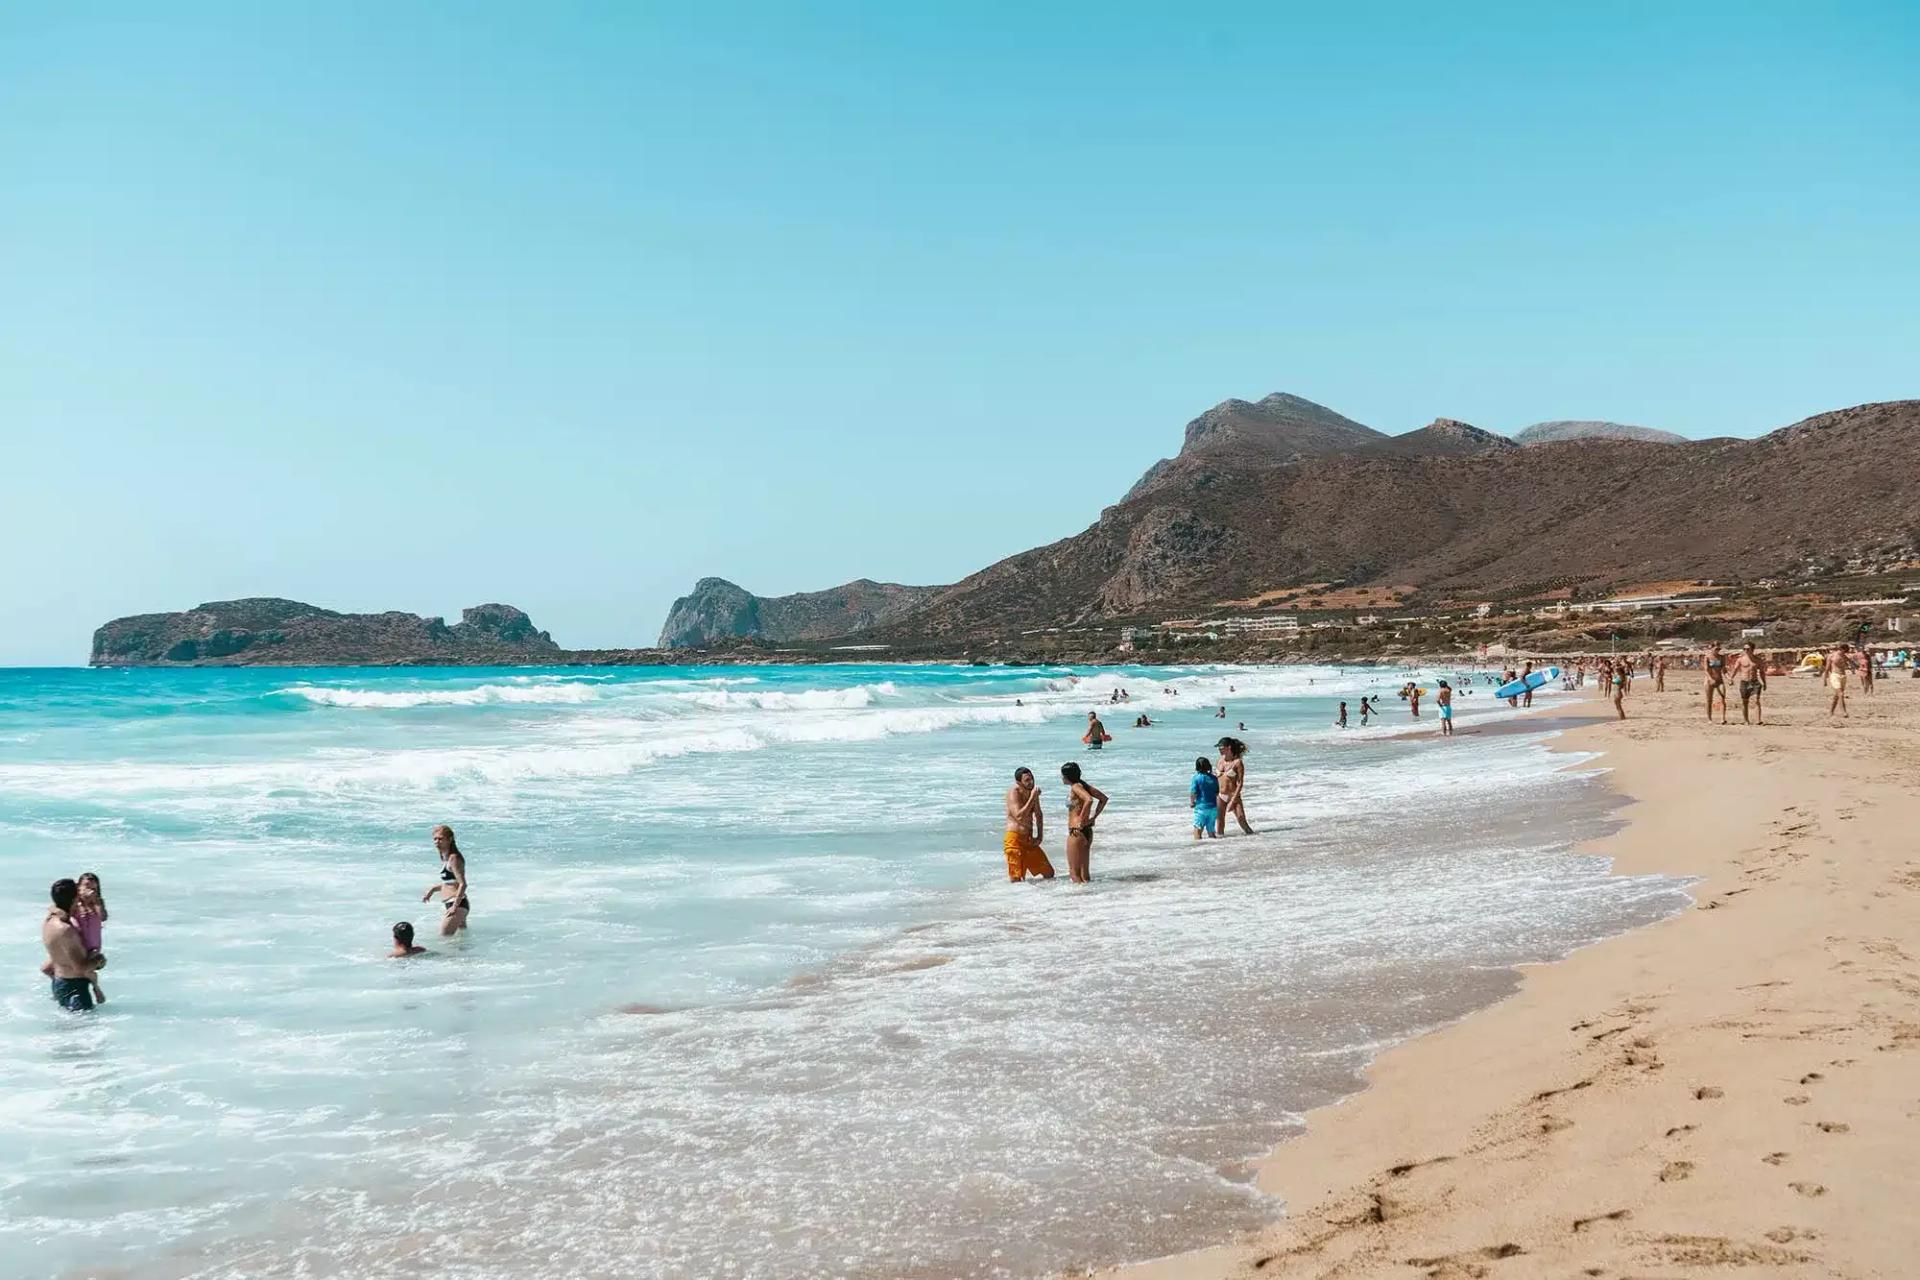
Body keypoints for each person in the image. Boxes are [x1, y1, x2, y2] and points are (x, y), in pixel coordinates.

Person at [42, 879, 99, 1012]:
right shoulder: (66, 930)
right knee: (83, 1030)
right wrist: (98, 960)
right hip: (75, 988)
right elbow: (80, 967)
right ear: (75, 899)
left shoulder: (49, 919)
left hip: (59, 983)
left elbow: (55, 906)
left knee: (69, 1028)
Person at [1002, 767, 1056, 882]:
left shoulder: (1032, 792)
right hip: (1014, 839)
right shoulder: (1014, 792)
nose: (1031, 782)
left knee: (1049, 873)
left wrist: (1040, 836)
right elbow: (1019, 816)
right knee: (1017, 878)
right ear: (1018, 782)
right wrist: (1033, 797)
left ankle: (1041, 895)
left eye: (1032, 778)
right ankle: (1020, 898)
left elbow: (1038, 815)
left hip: (1028, 839)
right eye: (1027, 780)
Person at [1060, 762, 1107, 884]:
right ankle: (1089, 898)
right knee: (1084, 874)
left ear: (1066, 776)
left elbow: (1089, 800)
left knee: (1074, 872)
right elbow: (1103, 799)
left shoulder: (1076, 787)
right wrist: (1093, 817)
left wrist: (1081, 818)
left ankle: (1078, 900)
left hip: (1076, 831)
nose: (1061, 777)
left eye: (1062, 775)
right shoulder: (1084, 786)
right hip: (1087, 831)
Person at [423, 824, 470, 936]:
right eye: (435, 839)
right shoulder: (445, 857)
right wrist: (433, 889)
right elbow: (450, 884)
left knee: (445, 939)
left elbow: (463, 884)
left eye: (440, 839)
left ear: (449, 840)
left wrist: (455, 907)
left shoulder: (454, 858)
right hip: (454, 904)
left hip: (456, 905)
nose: (437, 842)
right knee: (461, 940)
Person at [71, 872, 108, 1005]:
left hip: (93, 945)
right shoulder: (74, 903)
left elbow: (103, 917)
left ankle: (96, 988)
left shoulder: (98, 903)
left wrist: (96, 901)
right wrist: (80, 899)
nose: (91, 891)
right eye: (87, 887)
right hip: (77, 943)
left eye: (94, 888)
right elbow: (67, 914)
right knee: (47, 968)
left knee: (88, 968)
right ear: (79, 887)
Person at [1214, 737, 1254, 836]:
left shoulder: (1237, 762)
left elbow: (1240, 783)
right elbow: (1216, 779)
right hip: (1220, 795)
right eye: (1218, 748)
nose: (1219, 749)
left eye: (1221, 747)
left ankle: (1254, 839)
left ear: (1229, 747)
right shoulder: (1220, 761)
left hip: (1233, 795)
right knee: (1220, 822)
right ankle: (1220, 846)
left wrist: (1233, 800)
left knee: (1241, 820)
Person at [1729, 641, 1767, 725]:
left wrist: (1764, 682)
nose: (1746, 650)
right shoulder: (1740, 659)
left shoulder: (1758, 660)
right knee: (1744, 702)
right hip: (1744, 682)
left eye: (1748, 649)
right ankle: (1746, 720)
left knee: (1756, 700)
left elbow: (1762, 672)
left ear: (1752, 649)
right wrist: (1731, 678)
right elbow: (1735, 669)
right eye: (1744, 649)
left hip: (1754, 682)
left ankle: (1758, 720)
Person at [1189, 757, 1220, 841]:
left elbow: (1193, 792)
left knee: (1198, 831)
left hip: (1201, 808)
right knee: (1211, 831)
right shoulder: (1214, 778)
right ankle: (1214, 849)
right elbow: (1217, 792)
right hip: (1213, 808)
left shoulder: (1197, 778)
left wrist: (1192, 802)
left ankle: (1199, 850)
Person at [1703, 642, 1728, 724]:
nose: (1717, 651)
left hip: (1719, 680)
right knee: (1709, 700)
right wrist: (1710, 678)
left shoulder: (1721, 657)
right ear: (1711, 649)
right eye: (1716, 649)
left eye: (1719, 649)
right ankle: (1709, 718)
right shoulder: (1707, 657)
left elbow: (1724, 670)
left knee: (1722, 698)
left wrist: (1729, 678)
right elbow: (1706, 670)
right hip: (1709, 680)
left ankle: (1723, 718)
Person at [1827, 643, 1852, 717]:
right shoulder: (1831, 656)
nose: (1845, 652)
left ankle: (1831, 711)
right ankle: (1844, 712)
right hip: (1835, 675)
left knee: (1837, 696)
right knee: (1841, 694)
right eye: (1845, 651)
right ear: (1841, 649)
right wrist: (1825, 679)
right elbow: (1827, 668)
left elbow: (1851, 662)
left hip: (1843, 676)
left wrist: (1858, 667)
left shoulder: (1844, 656)